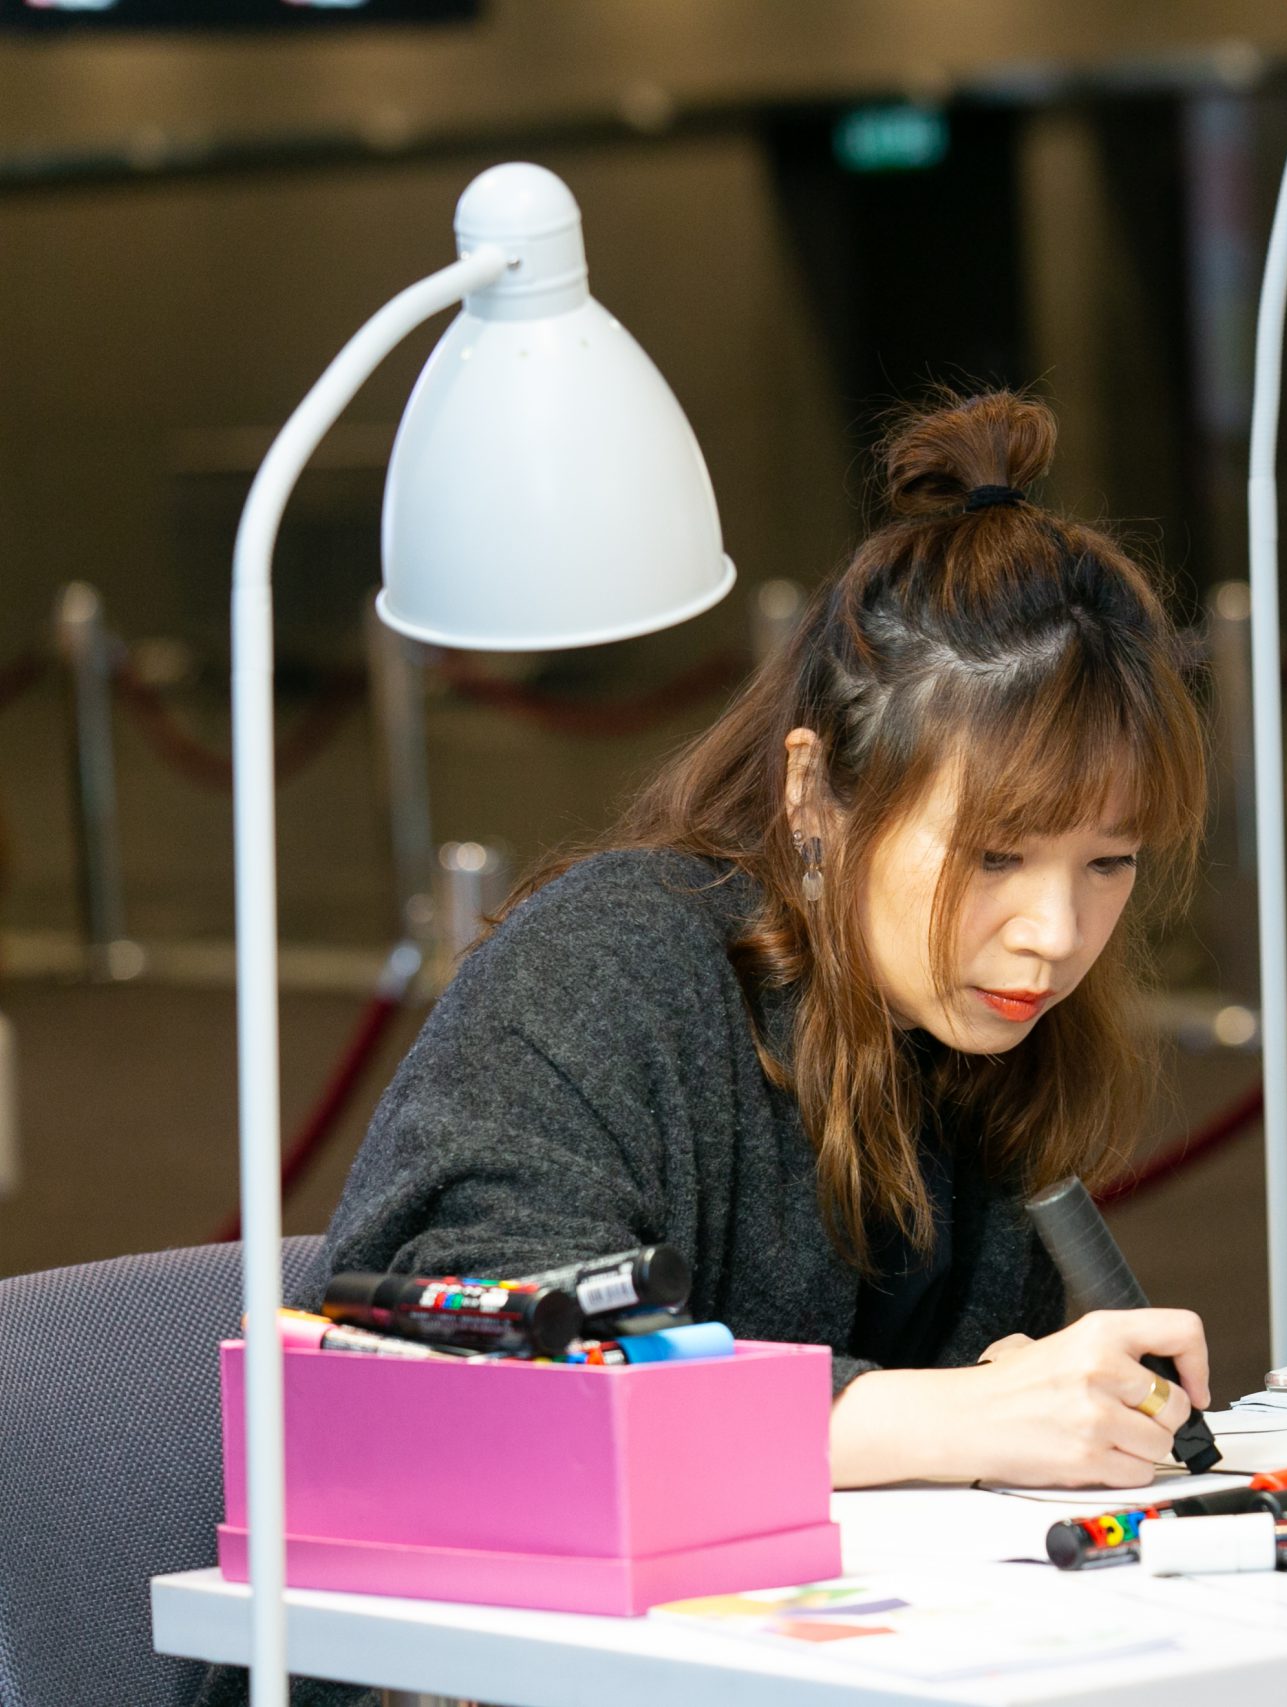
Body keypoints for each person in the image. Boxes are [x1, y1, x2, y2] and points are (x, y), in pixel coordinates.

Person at [319, 390, 1214, 1492]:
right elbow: (473, 1371)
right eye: (994, 856)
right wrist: (935, 1418)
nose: (1056, 933)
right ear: (813, 794)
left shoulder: (977, 1033)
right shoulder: (606, 964)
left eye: (1109, 863)